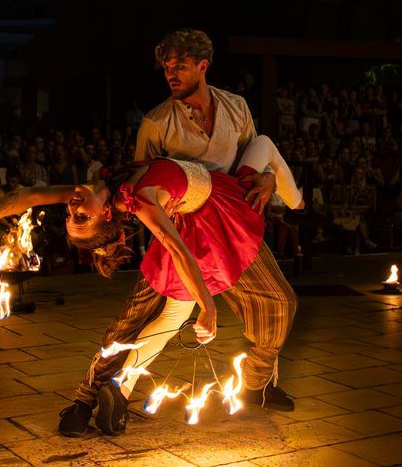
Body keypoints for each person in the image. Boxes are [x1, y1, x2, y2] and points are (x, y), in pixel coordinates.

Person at [0, 135, 301, 435]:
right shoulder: (139, 198)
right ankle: (298, 201)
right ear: (106, 215)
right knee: (265, 145)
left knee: (169, 318)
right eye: (80, 217)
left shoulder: (104, 187)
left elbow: (29, 195)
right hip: (214, 216)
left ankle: (121, 387)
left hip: (195, 220)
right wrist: (208, 306)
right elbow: (176, 248)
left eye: (70, 216)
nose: (72, 209)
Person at [58, 29, 300, 436]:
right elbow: (137, 188)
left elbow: (253, 157)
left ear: (202, 66)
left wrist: (270, 182)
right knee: (139, 317)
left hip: (230, 223)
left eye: (179, 65)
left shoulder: (237, 107)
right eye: (166, 66)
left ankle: (258, 384)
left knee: (279, 302)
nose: (170, 72)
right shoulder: (156, 123)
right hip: (179, 227)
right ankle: (86, 399)